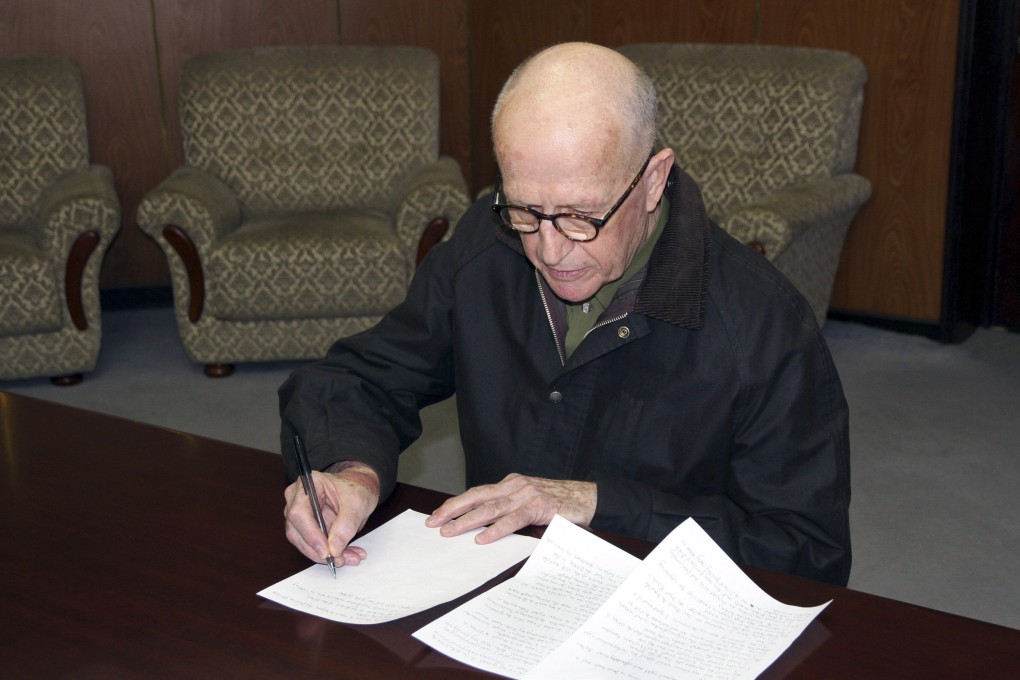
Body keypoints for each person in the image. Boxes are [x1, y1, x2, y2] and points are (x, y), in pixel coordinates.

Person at [280, 42, 851, 585]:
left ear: (653, 180)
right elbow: (360, 380)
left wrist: (599, 504)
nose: (550, 251)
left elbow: (805, 553)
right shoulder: (487, 246)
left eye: (582, 216)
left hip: (660, 611)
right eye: (526, 210)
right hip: (497, 589)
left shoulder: (763, 324)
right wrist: (352, 473)